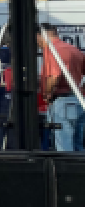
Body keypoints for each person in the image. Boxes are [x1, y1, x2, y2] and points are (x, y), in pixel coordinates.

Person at [40, 23, 85, 151]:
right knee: (78, 146)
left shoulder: (52, 49)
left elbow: (54, 76)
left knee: (64, 147)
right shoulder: (73, 49)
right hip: (78, 100)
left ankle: (66, 171)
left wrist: (47, 93)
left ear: (42, 36)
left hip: (62, 102)